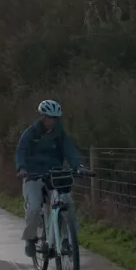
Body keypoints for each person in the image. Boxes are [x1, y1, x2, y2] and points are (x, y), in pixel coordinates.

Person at [15, 100, 85, 257]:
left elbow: (70, 151)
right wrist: (21, 168)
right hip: (33, 175)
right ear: (43, 117)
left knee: (68, 202)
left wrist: (79, 166)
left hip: (54, 175)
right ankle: (30, 239)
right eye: (49, 117)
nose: (52, 121)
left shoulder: (60, 135)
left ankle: (67, 240)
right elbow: (21, 151)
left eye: (55, 118)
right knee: (33, 208)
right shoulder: (30, 133)